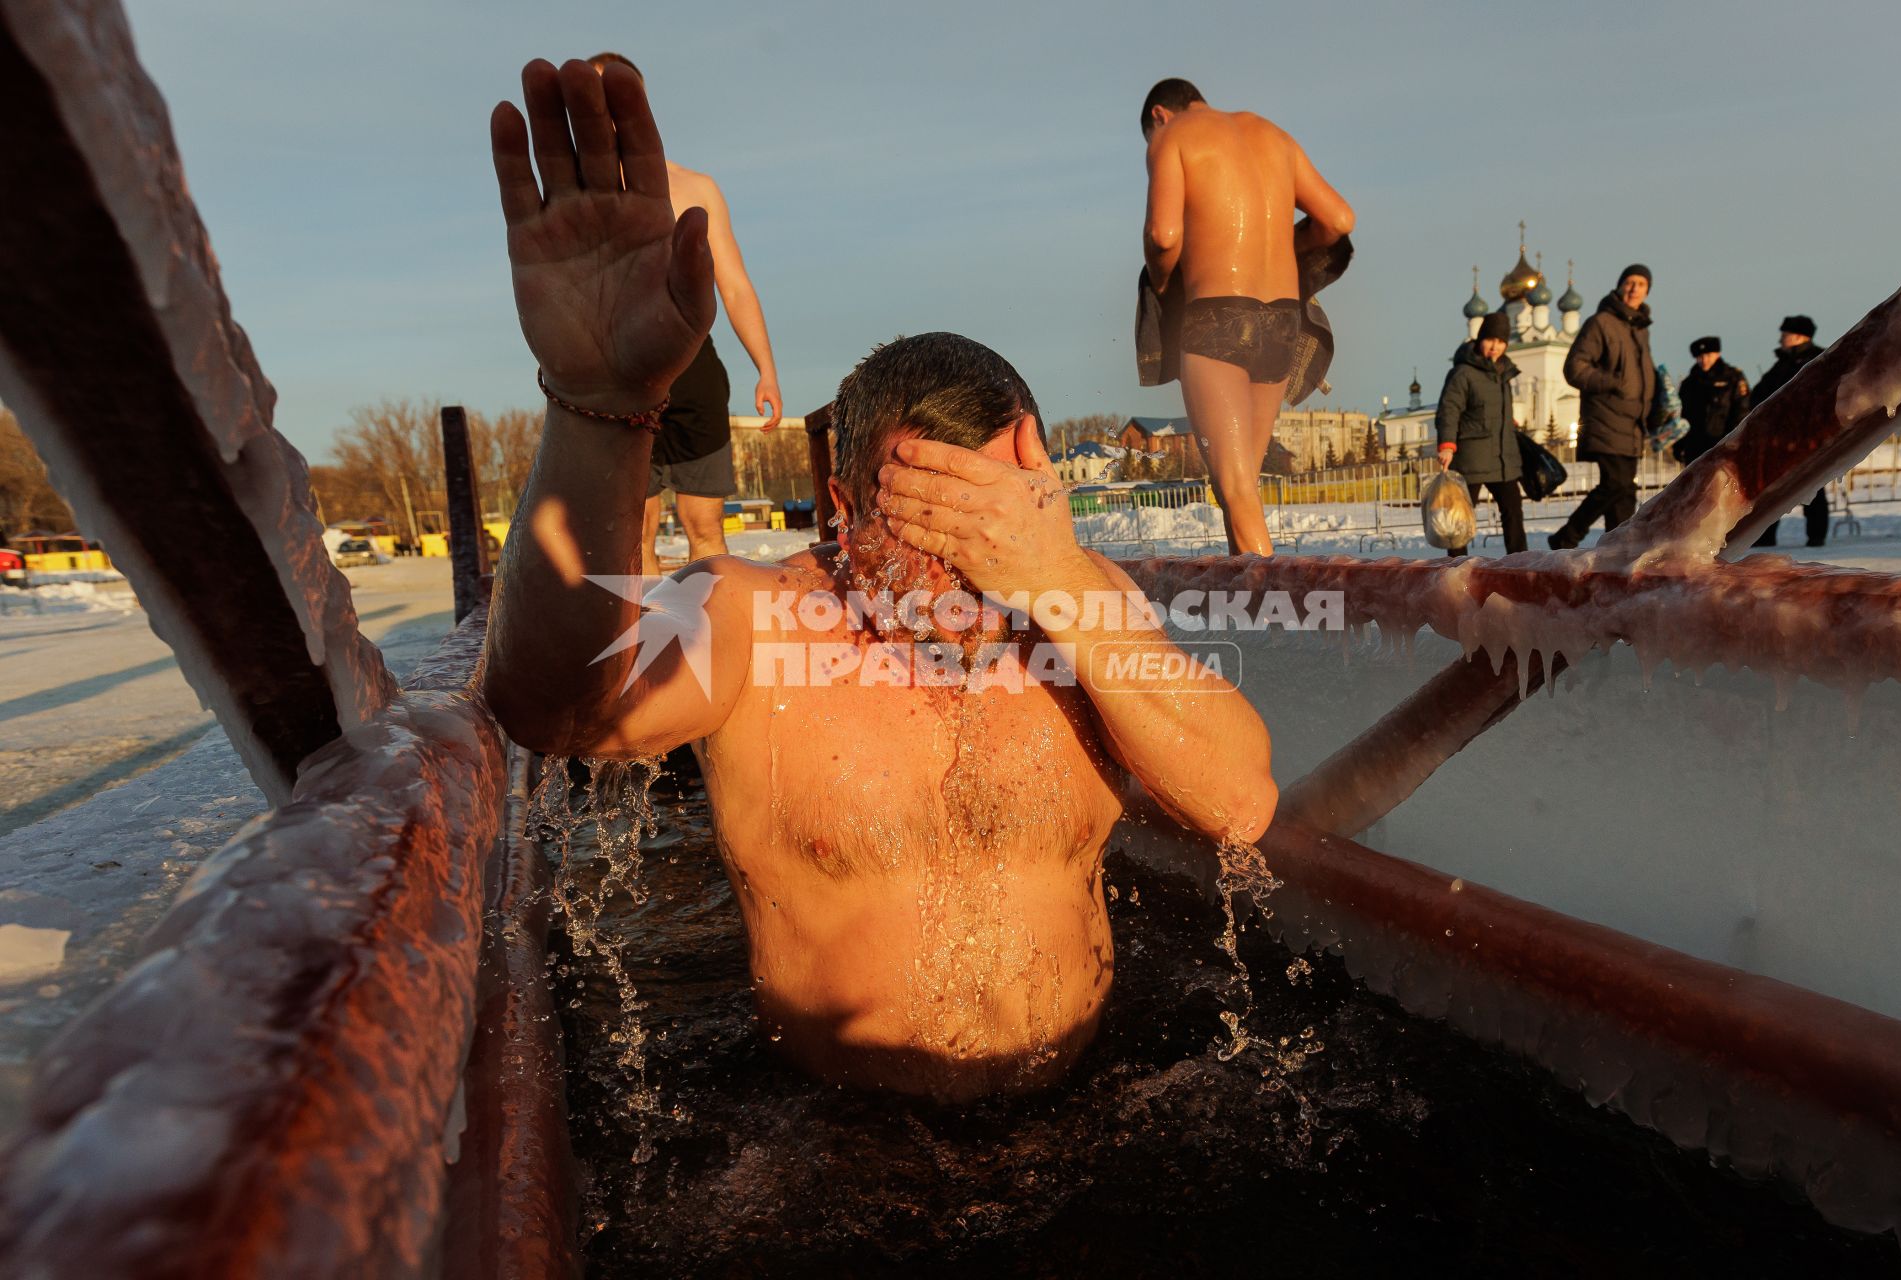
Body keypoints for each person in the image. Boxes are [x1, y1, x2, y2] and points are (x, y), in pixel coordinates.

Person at [482, 59, 1279, 1102]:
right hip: (840, 1156)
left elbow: (1242, 803)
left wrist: (1054, 577)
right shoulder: (759, 617)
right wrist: (598, 407)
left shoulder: (1074, 602)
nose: (974, 568)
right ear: (844, 514)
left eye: (997, 520)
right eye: (931, 526)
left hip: (1089, 1126)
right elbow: (549, 705)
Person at [587, 52, 783, 576]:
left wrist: (765, 369)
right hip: (621, 374)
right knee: (635, 537)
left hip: (695, 369)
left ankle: (710, 646)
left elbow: (735, 285)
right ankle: (645, 655)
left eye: (621, 94)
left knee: (705, 530)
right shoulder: (580, 194)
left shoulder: (695, 187)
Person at [1140, 78, 1354, 557]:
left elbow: (1164, 233)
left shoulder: (1173, 136)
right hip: (1282, 322)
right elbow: (1339, 220)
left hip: (1217, 318)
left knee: (1235, 488)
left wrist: (1159, 280)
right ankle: (1250, 612)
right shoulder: (1272, 135)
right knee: (1240, 488)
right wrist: (1285, 244)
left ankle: (1277, 620)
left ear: (1160, 115)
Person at [1548, 264, 1654, 549]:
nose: (1634, 289)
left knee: (1624, 491)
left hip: (1631, 422)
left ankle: (1619, 549)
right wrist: (1612, 383)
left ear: (1647, 291)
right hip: (1606, 417)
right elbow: (1575, 368)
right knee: (1616, 483)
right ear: (1620, 285)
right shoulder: (1601, 323)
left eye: (1641, 284)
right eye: (1629, 282)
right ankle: (1566, 536)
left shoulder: (1639, 329)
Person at [1434, 311, 1526, 557]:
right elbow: (1449, 409)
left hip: (1502, 457)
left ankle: (1520, 562)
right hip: (1472, 456)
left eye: (1501, 341)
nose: (1495, 347)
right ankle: (1457, 565)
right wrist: (1446, 444)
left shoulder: (1504, 373)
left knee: (1513, 512)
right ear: (1479, 339)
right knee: (1460, 514)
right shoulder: (1463, 373)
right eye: (1490, 340)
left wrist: (1508, 420)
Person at [1752, 315, 1829, 548]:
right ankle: (1765, 538)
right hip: (1778, 438)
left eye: (1784, 334)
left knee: (1812, 487)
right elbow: (1759, 395)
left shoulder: (1819, 361)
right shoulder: (1782, 363)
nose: (1780, 339)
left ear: (1799, 336)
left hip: (1808, 436)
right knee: (1772, 491)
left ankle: (1816, 538)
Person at [1672, 336, 1748, 466]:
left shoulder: (1733, 378)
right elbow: (1682, 416)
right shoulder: (1689, 383)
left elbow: (1742, 411)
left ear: (1717, 354)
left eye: (1708, 355)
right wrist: (1679, 444)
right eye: (1699, 357)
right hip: (1694, 449)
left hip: (1722, 445)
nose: (1704, 360)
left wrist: (1731, 441)